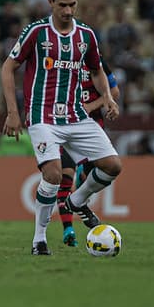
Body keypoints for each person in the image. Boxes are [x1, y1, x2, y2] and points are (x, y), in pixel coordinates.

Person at [1, 0, 123, 256]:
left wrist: (107, 97)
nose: (68, 11)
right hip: (42, 116)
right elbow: (8, 68)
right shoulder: (36, 31)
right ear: (51, 3)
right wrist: (12, 112)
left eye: (72, 5)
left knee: (113, 165)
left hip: (76, 116)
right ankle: (39, 239)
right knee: (54, 174)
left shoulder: (87, 35)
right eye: (62, 5)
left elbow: (96, 70)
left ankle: (77, 201)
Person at [57, 58, 120, 247]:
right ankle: (68, 228)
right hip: (64, 127)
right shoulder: (59, 59)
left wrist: (90, 107)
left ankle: (79, 203)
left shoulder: (97, 61)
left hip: (91, 130)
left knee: (87, 176)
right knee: (65, 176)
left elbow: (114, 91)